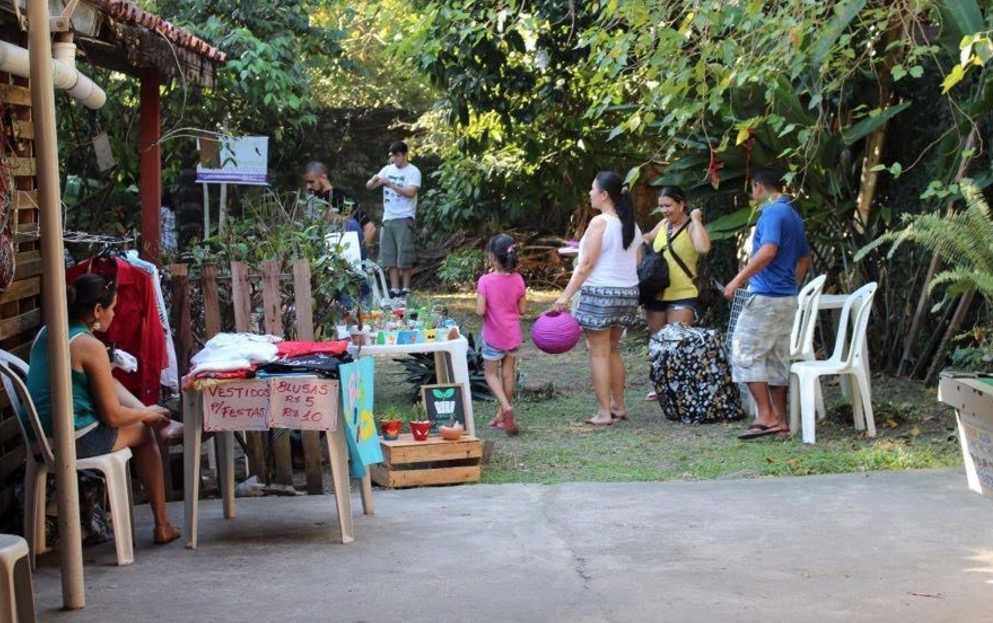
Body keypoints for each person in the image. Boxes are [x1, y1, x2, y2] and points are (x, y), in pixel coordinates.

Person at [25, 273, 183, 544]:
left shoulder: (47, 331)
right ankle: (163, 524)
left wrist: (146, 411)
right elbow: (112, 416)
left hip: (40, 440)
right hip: (73, 440)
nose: (115, 314)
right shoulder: (89, 346)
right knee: (144, 435)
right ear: (97, 310)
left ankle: (162, 422)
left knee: (109, 379)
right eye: (113, 309)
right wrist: (146, 415)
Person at [724, 168, 810, 440]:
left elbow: (769, 249)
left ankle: (766, 415)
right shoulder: (793, 215)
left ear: (759, 186)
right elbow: (804, 259)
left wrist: (738, 279)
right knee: (775, 359)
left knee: (744, 351)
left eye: (753, 188)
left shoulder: (772, 212)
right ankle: (780, 420)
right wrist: (790, 285)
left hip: (766, 296)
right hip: (786, 298)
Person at [553, 171, 642, 426]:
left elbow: (586, 263)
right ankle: (619, 405)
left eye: (593, 189)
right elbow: (636, 261)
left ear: (604, 195)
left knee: (599, 353)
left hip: (601, 293)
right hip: (628, 293)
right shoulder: (632, 225)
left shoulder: (600, 222)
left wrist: (565, 297)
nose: (590, 194)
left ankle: (604, 413)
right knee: (613, 350)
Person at [641, 185, 712, 401]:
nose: (664, 210)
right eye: (661, 206)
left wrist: (697, 219)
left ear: (681, 204)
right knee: (658, 341)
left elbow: (703, 248)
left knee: (678, 343)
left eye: (668, 205)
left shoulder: (691, 226)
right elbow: (648, 237)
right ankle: (661, 385)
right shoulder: (663, 224)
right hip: (657, 292)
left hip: (682, 293)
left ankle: (679, 386)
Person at [475, 234, 527, 436]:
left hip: (493, 337)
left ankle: (505, 407)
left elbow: (480, 311)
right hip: (512, 336)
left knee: (491, 374)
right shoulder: (519, 279)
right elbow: (522, 309)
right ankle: (500, 416)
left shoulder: (485, 281)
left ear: (493, 258)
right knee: (508, 374)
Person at [365, 141, 421, 298]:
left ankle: (406, 288)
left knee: (404, 255)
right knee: (389, 255)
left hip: (404, 217)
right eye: (392, 156)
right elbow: (369, 186)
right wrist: (374, 179)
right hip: (388, 217)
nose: (394, 159)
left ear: (404, 155)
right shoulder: (387, 169)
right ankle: (394, 288)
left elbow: (410, 193)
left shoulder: (413, 172)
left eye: (397, 155)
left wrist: (390, 184)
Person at [303, 161, 377, 253]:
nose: (308, 186)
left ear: (323, 177)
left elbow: (370, 228)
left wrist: (358, 254)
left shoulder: (340, 198)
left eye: (311, 182)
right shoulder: (312, 201)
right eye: (306, 183)